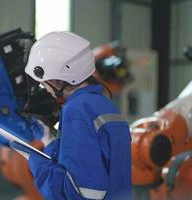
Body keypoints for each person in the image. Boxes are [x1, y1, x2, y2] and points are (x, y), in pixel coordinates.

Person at [24, 31, 132, 200]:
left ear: (58, 79)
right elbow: (84, 164)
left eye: (44, 83)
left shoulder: (77, 109)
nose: (45, 89)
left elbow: (80, 192)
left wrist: (37, 162)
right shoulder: (105, 105)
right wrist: (49, 141)